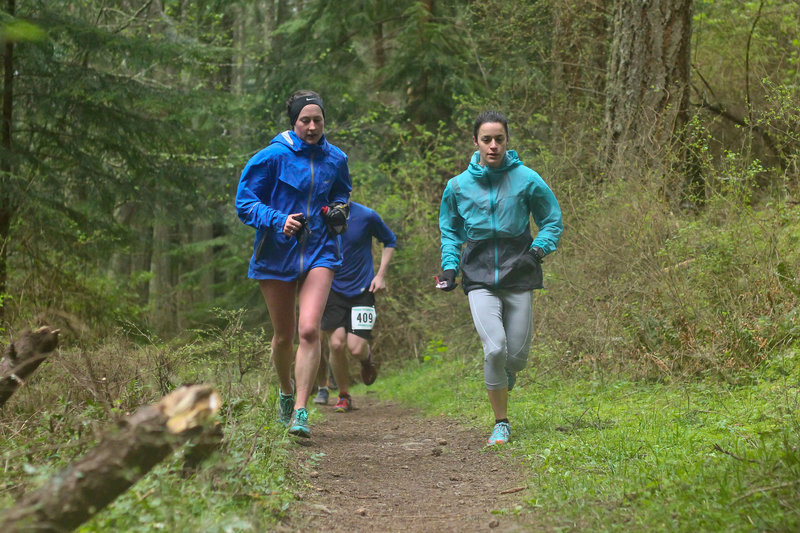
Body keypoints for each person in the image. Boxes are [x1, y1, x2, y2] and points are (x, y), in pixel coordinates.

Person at [436, 110, 563, 446]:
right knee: (495, 349)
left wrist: (536, 252)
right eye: (486, 139)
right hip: (477, 274)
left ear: (507, 141)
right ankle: (501, 422)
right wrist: (450, 268)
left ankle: (506, 377)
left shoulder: (527, 179)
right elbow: (449, 231)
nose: (493, 146)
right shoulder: (458, 186)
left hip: (519, 271)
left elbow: (552, 220)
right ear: (475, 142)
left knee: (516, 357)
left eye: (499, 139)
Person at [235, 90, 351, 438]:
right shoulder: (271, 157)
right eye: (305, 120)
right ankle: (285, 391)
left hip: (320, 250)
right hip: (277, 251)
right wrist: (276, 219)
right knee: (284, 336)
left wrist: (338, 209)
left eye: (318, 120)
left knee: (308, 330)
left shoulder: (336, 158)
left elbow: (342, 192)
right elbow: (244, 201)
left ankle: (301, 409)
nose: (312, 126)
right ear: (294, 122)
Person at [312, 201, 396, 411]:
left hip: (363, 289)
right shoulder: (318, 214)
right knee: (337, 344)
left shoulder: (367, 215)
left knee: (356, 348)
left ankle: (366, 361)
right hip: (332, 288)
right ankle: (344, 395)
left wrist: (380, 275)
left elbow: (390, 241)